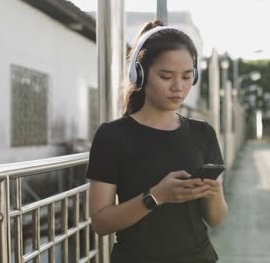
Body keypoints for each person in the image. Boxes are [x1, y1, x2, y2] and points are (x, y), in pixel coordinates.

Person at [86, 20, 228, 263]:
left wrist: (213, 193)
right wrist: (157, 196)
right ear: (139, 74)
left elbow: (216, 218)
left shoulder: (203, 133)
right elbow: (101, 222)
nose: (178, 87)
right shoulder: (112, 136)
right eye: (166, 76)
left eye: (186, 76)